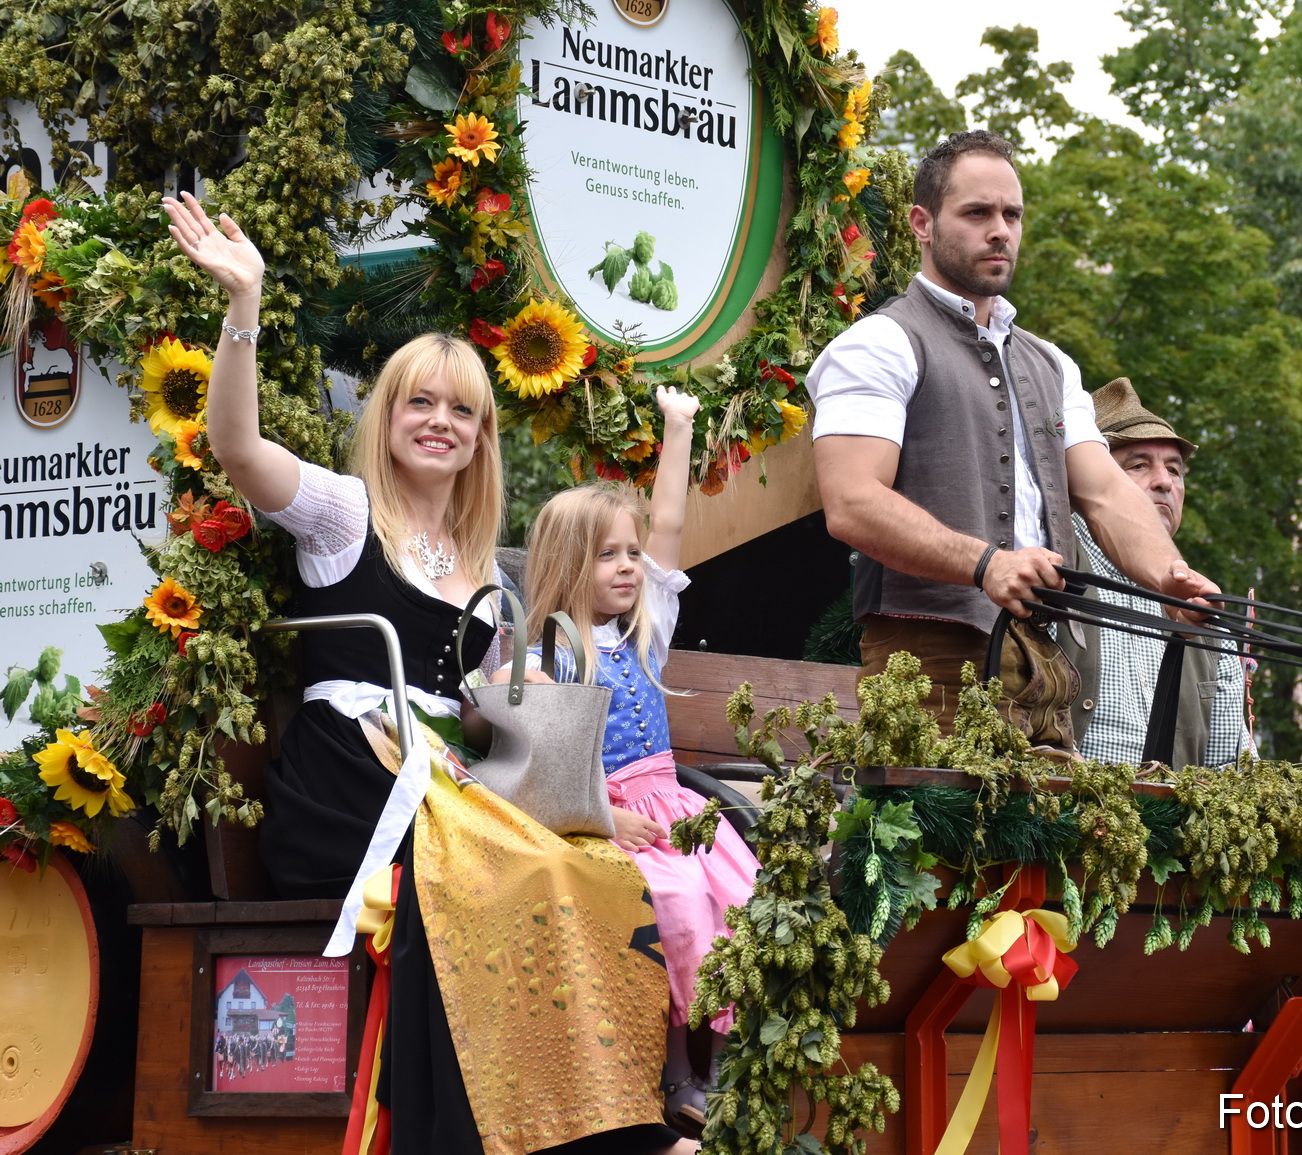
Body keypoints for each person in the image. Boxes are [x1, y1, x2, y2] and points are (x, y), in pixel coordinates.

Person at [163, 193, 695, 1155]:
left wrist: (598, 802)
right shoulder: (341, 513)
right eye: (420, 401)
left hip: (437, 779)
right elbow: (237, 450)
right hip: (347, 782)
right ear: (388, 414)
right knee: (506, 873)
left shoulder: (487, 566)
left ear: (484, 436)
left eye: (463, 409)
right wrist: (244, 305)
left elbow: (501, 725)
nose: (440, 421)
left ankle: (598, 1116)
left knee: (592, 869)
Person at [808, 129, 1219, 747]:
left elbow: (1106, 491)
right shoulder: (879, 343)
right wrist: (985, 564)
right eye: (976, 213)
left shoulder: (1052, 364)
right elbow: (850, 501)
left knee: (1046, 846)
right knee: (945, 843)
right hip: (929, 656)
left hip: (1048, 661)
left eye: (1012, 214)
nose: (1000, 230)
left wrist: (1169, 577)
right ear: (922, 223)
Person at [504, 387, 758, 1138]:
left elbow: (671, 523)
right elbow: (537, 765)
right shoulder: (545, 652)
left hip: (673, 807)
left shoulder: (646, 631)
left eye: (630, 553)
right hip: (605, 815)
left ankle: (725, 1062)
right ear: (565, 563)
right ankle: (677, 1066)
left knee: (740, 893)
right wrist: (602, 813)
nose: (627, 568)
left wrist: (679, 428)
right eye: (607, 555)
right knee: (676, 907)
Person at [1064, 379, 1252, 767]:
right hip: (1057, 820)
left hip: (1168, 826)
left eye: (1175, 470)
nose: (1165, 481)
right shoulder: (1052, 566)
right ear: (1091, 479)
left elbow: (1231, 774)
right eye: (1138, 465)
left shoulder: (1203, 610)